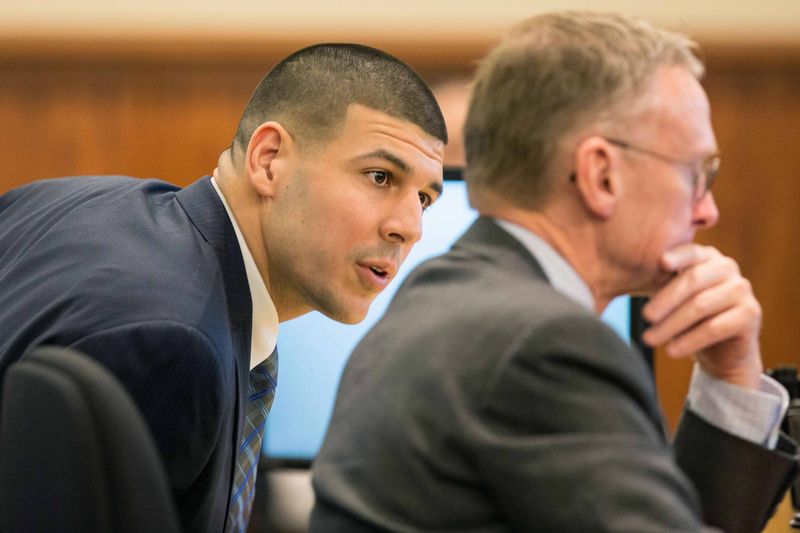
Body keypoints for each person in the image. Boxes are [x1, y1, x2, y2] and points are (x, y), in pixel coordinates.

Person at [310, 13, 800, 532]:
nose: (707, 212)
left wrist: (730, 377)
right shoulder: (545, 345)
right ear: (601, 175)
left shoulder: (445, 293)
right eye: (695, 174)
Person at [0, 43, 446, 533]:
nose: (410, 227)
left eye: (424, 198)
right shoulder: (173, 343)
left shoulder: (77, 200)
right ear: (269, 159)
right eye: (380, 177)